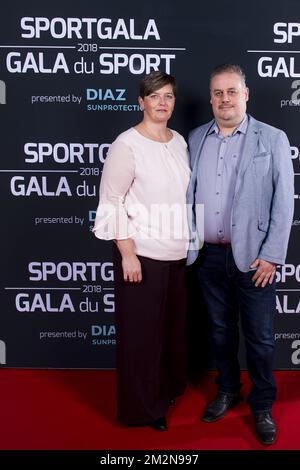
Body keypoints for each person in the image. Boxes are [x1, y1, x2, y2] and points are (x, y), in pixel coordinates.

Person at [187, 64, 294, 445]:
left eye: (231, 91)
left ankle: (262, 404)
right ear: (212, 97)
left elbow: (284, 203)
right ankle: (227, 390)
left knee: (261, 339)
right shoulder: (197, 137)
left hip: (255, 260)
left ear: (245, 95)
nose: (224, 99)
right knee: (218, 333)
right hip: (209, 257)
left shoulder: (273, 138)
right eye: (217, 93)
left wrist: (272, 257)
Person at [93, 71, 190, 431]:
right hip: (142, 254)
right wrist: (128, 252)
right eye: (154, 96)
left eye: (168, 96)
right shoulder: (127, 144)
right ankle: (142, 410)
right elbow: (112, 201)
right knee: (141, 338)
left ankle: (164, 392)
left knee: (168, 333)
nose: (162, 102)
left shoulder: (179, 141)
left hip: (177, 256)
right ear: (141, 101)